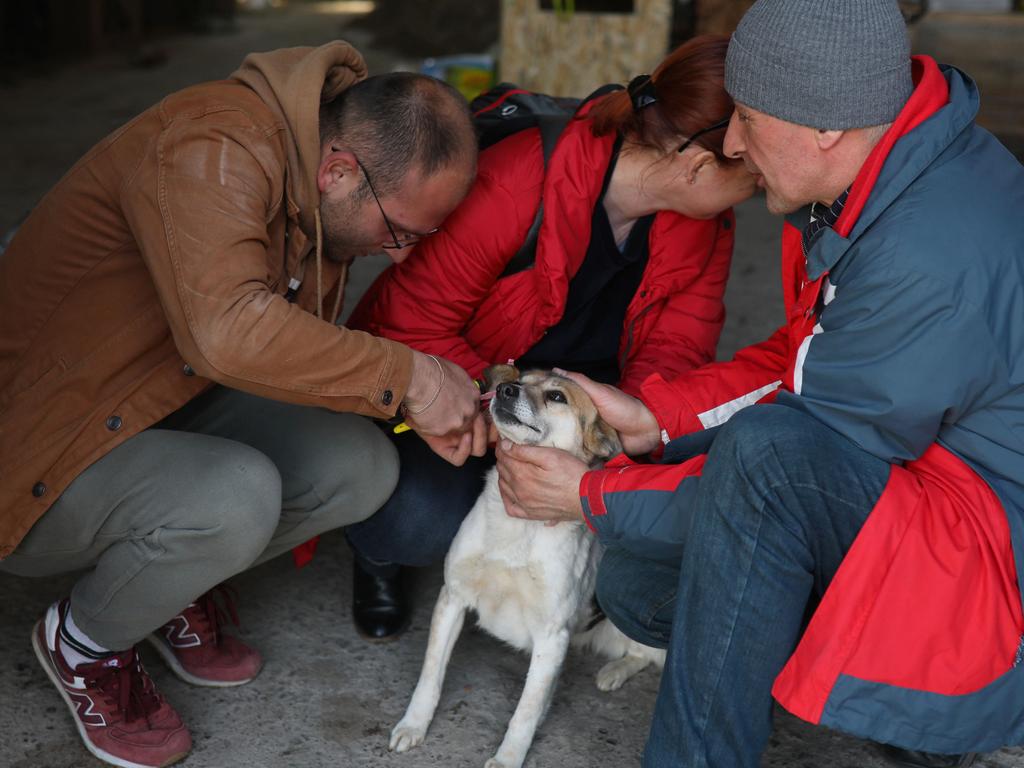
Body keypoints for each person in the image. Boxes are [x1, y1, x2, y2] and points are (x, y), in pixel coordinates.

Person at [493, 2, 1024, 767]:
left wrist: (589, 493)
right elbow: (808, 363)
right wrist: (655, 419)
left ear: (825, 128)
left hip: (983, 566)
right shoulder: (874, 179)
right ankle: (895, 705)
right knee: (639, 583)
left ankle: (901, 704)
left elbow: (782, 463)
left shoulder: (928, 255)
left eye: (746, 117)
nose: (733, 144)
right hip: (920, 492)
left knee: (758, 464)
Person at [0, 42, 486, 768]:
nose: (401, 254)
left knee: (358, 464)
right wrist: (412, 377)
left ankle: (165, 582)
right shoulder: (210, 144)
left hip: (149, 408)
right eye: (400, 231)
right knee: (238, 496)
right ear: (340, 171)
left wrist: (419, 407)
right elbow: (225, 335)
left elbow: (293, 362)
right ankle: (85, 639)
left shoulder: (319, 186)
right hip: (41, 444)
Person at [341, 35, 758, 640]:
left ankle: (593, 572)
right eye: (751, 174)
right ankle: (378, 555)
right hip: (469, 384)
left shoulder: (707, 222)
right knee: (418, 520)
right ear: (698, 166)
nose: (763, 188)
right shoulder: (518, 180)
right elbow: (410, 324)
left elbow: (679, 349)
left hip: (581, 411)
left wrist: (607, 442)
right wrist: (504, 416)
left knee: (699, 457)